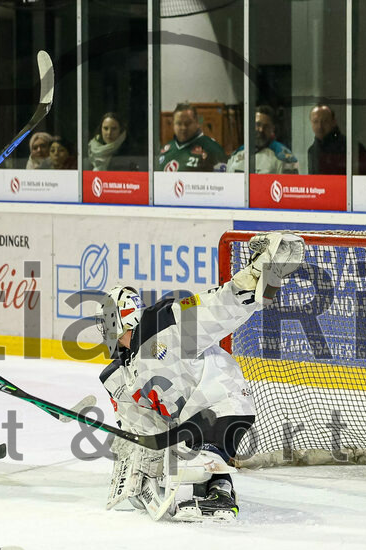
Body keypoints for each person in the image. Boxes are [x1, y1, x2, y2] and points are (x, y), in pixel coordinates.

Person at [97, 232, 305, 521]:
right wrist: (139, 471)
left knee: (203, 455)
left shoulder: (163, 322)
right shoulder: (121, 376)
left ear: (115, 319)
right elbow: (137, 427)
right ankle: (218, 491)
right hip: (187, 425)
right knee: (183, 456)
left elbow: (215, 307)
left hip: (225, 408)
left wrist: (253, 279)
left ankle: (216, 486)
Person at [225, 105, 298, 174]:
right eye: (258, 124)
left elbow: (289, 185)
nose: (261, 130)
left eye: (266, 126)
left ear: (273, 128)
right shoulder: (238, 153)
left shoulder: (283, 156)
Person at [306, 105, 366, 175]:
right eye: (315, 121)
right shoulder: (312, 151)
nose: (320, 126)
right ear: (311, 123)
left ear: (333, 122)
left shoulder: (352, 147)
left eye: (325, 121)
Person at [157, 102, 227, 172]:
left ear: (197, 123)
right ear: (173, 124)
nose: (183, 128)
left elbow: (222, 180)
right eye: (179, 123)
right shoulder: (165, 150)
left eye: (187, 123)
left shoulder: (212, 149)